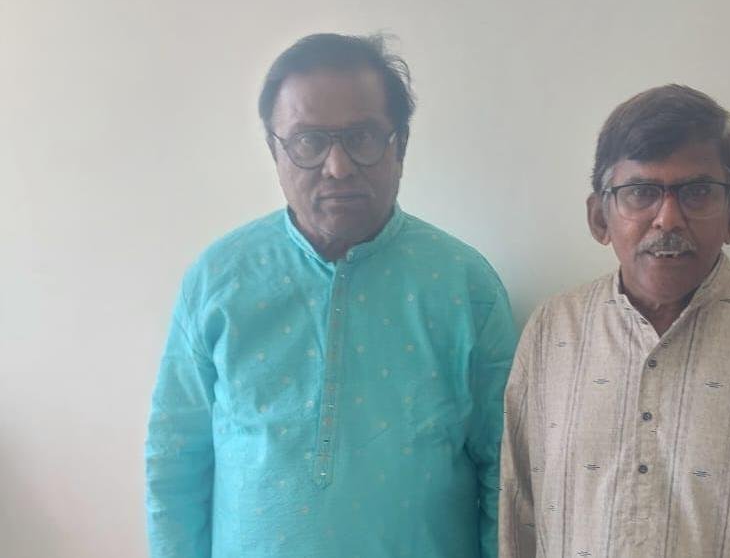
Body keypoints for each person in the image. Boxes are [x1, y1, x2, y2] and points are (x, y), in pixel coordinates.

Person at [145, 33, 516, 558]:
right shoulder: (217, 280)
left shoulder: (465, 286)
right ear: (275, 150)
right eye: (308, 141)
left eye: (362, 137)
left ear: (400, 146)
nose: (338, 166)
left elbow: (506, 475)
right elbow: (175, 463)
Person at [499, 84, 730, 557]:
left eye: (697, 192)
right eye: (641, 193)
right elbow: (518, 508)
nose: (668, 218)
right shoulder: (552, 331)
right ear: (600, 218)